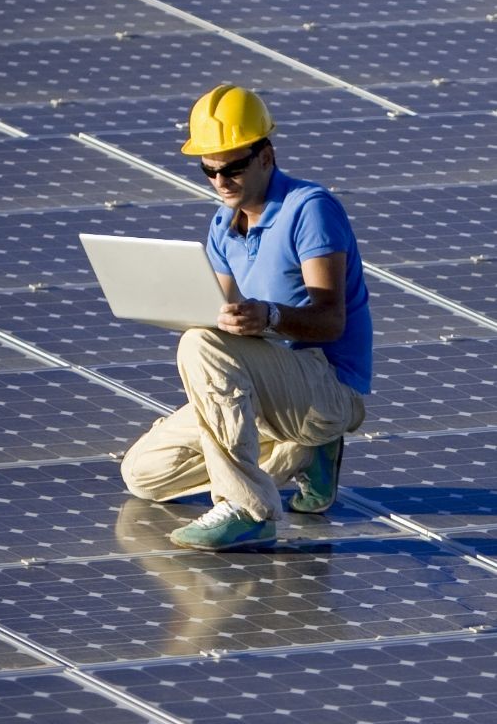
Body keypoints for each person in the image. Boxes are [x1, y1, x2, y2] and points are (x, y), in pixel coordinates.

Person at [121, 84, 372, 552]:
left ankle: (249, 510)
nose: (221, 181)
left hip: (326, 388)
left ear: (266, 156)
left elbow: (331, 321)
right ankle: (302, 453)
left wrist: (271, 316)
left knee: (197, 345)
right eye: (209, 170)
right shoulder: (223, 225)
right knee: (142, 474)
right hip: (264, 390)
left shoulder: (309, 209)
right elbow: (217, 319)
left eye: (233, 167)